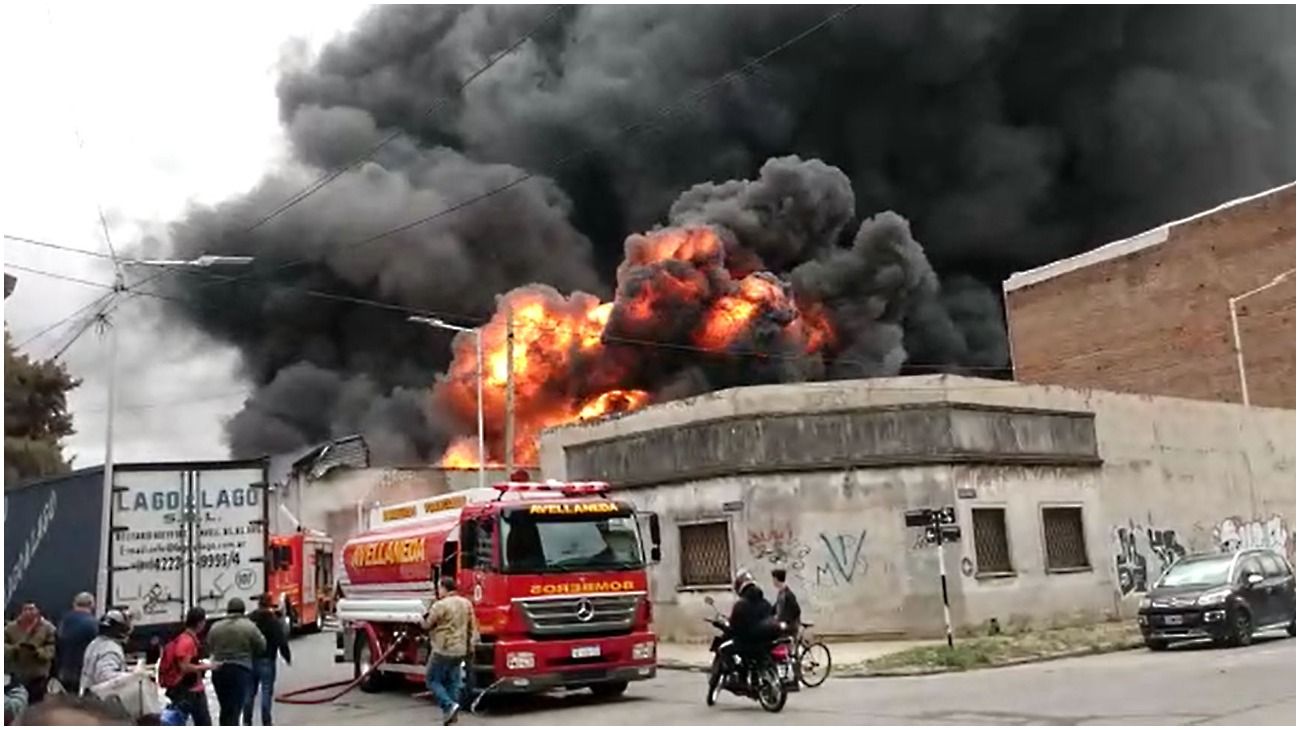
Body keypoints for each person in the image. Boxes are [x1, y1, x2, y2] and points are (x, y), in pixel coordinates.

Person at [421, 576, 477, 726]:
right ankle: (451, 716)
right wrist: (470, 648)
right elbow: (473, 628)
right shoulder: (467, 604)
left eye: (439, 588)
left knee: (432, 680)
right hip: (461, 650)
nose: (438, 591)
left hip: (443, 649)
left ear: (445, 588)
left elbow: (427, 625)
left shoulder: (440, 605)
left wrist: (421, 617)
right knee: (453, 681)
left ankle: (448, 705)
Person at [206, 598, 265, 726]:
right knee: (235, 708)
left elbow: (209, 645)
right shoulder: (249, 626)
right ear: (243, 611)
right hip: (240, 669)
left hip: (219, 671)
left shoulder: (216, 627)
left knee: (225, 707)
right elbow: (261, 646)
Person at [158, 607, 215, 726]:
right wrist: (207, 667)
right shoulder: (187, 641)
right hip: (188, 690)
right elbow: (184, 667)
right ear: (200, 622)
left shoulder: (186, 637)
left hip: (190, 689)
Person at [243, 595, 291, 726]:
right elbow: (280, 639)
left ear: (259, 604)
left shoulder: (250, 619)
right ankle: (266, 721)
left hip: (251, 659)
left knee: (249, 692)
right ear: (270, 604)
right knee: (266, 691)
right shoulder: (273, 621)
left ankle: (247, 721)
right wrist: (286, 656)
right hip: (267, 659)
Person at [5, 601, 58, 704]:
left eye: (32, 609)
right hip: (17, 672)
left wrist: (39, 652)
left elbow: (52, 647)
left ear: (38, 611)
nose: (29, 612)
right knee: (18, 702)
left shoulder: (48, 628)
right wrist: (14, 649)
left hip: (38, 674)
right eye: (26, 609)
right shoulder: (10, 628)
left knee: (36, 703)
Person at [80, 610, 135, 693]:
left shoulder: (95, 643)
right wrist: (133, 677)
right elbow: (105, 675)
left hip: (88, 696)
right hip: (100, 701)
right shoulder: (111, 648)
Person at [56, 592, 99, 695]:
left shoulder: (64, 621)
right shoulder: (93, 623)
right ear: (92, 604)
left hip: (64, 670)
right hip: (83, 672)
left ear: (74, 603)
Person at [770, 568, 802, 636]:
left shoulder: (788, 595)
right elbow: (776, 608)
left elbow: (796, 610)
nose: (772, 581)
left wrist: (786, 621)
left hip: (789, 627)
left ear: (776, 579)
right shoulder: (781, 593)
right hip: (783, 625)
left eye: (773, 579)